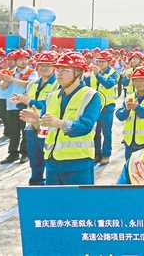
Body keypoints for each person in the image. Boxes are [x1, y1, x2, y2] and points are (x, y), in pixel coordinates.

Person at [20, 52, 102, 185]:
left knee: (78, 205)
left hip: (78, 163)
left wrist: (59, 123)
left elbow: (85, 127)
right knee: (54, 205)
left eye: (64, 70)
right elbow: (44, 132)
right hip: (52, 164)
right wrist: (36, 123)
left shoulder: (91, 96)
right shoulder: (52, 96)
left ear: (78, 72)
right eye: (58, 69)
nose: (59, 73)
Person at [11, 52, 58, 185]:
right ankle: (35, 181)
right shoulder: (32, 83)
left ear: (54, 66)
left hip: (46, 126)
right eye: (41, 65)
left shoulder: (57, 84)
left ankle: (50, 183)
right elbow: (27, 99)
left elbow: (48, 105)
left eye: (48, 65)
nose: (43, 68)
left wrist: (30, 101)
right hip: (31, 125)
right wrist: (21, 100)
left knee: (48, 155)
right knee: (34, 156)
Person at [0, 49, 36, 164]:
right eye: (20, 60)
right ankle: (13, 153)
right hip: (11, 105)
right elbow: (3, 87)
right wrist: (5, 80)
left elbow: (30, 84)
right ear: (15, 61)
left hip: (24, 105)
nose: (23, 62)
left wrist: (13, 80)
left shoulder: (31, 72)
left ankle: (25, 154)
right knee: (13, 131)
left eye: (25, 59)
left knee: (25, 131)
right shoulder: (10, 72)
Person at [115, 66, 144, 160]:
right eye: (136, 80)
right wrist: (126, 110)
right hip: (129, 143)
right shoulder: (130, 97)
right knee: (129, 170)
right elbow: (120, 115)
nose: (139, 83)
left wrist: (137, 108)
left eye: (142, 80)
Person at [89, 50, 118, 165]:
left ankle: (106, 154)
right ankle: (97, 154)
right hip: (94, 106)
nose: (100, 63)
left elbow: (108, 84)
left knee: (106, 132)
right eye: (98, 61)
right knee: (95, 132)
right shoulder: (93, 72)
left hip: (107, 107)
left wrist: (98, 75)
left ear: (108, 62)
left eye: (103, 61)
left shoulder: (113, 73)